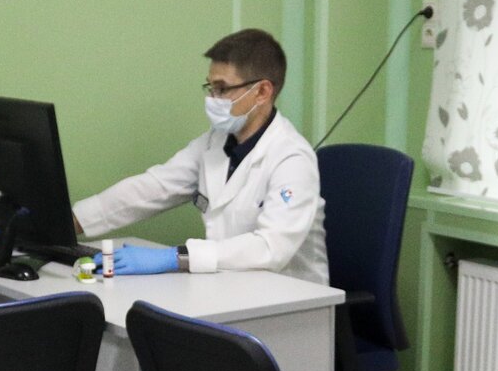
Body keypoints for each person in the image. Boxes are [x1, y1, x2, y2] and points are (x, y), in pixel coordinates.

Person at [74, 28, 327, 283]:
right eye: (210, 87)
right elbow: (153, 188)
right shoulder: (214, 142)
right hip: (227, 287)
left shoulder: (292, 158)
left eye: (222, 88)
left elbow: (270, 248)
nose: (212, 99)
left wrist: (177, 257)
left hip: (291, 296)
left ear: (262, 92)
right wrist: (73, 220)